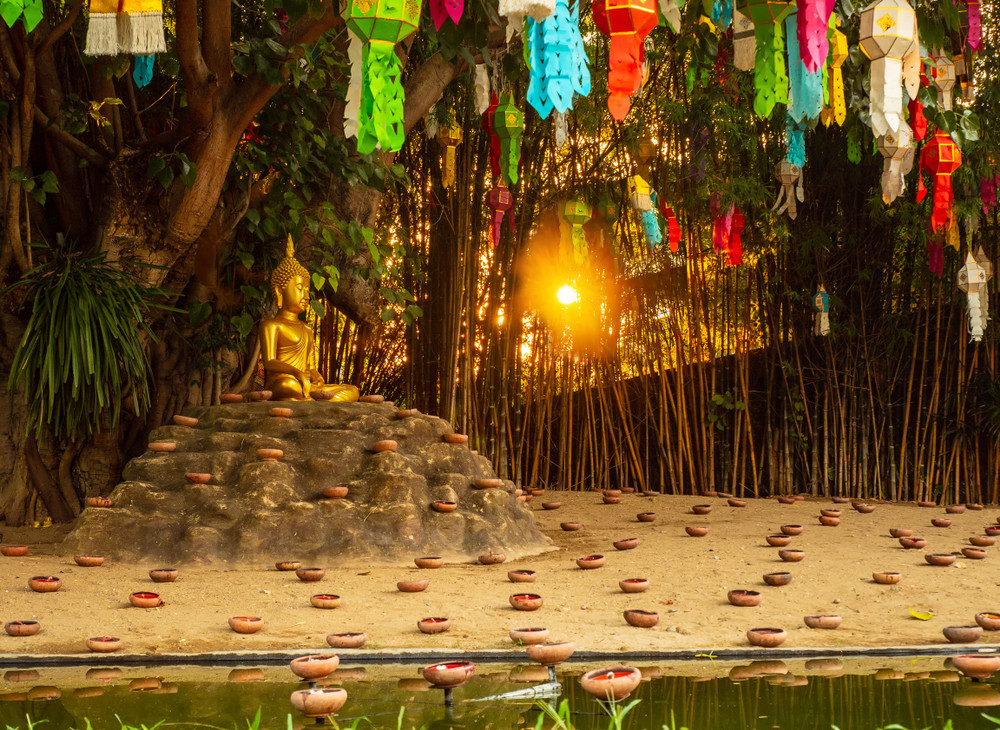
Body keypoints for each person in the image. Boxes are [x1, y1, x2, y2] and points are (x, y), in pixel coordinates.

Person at [259, 236, 359, 402]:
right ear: (279, 291)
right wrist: (296, 373)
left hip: (306, 384)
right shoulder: (272, 325)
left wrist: (316, 375)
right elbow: (269, 362)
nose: (305, 296)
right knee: (288, 387)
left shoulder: (306, 329)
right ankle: (312, 399)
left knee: (352, 390)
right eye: (299, 289)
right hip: (283, 383)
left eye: (307, 290)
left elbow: (310, 367)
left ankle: (312, 399)